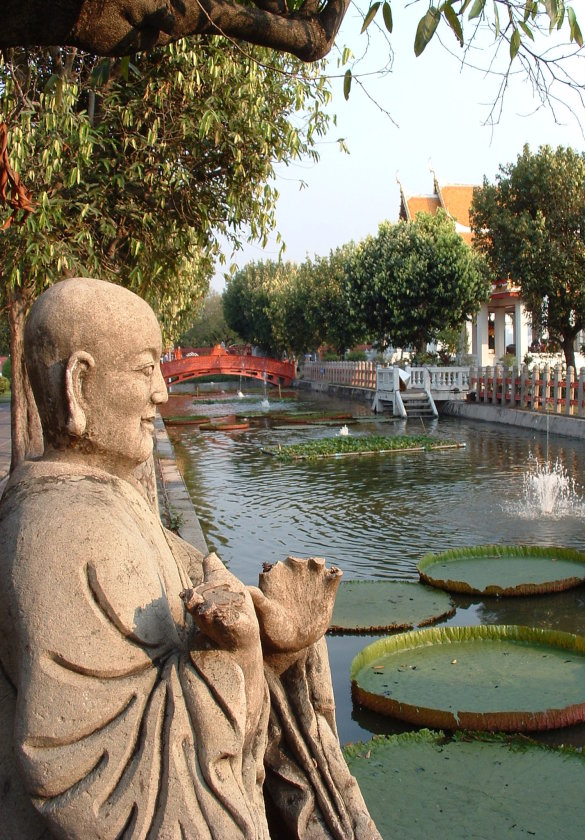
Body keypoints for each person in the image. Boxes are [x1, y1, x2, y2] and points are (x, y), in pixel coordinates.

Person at [0, 278, 380, 840]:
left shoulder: (106, 500)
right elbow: (101, 779)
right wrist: (241, 648)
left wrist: (281, 636)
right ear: (79, 384)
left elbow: (195, 628)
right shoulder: (68, 530)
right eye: (143, 368)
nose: (161, 390)